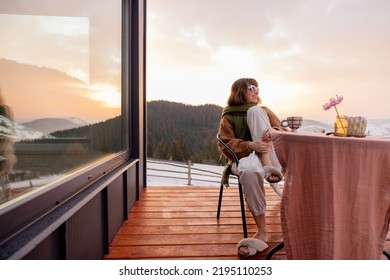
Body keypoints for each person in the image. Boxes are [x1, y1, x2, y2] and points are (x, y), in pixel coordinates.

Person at [217, 78, 284, 257]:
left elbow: (280, 129)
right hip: (245, 156)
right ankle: (262, 230)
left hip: (271, 154)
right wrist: (250, 146)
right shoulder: (228, 116)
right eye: (252, 88)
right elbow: (225, 144)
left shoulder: (262, 111)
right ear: (240, 91)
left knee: (255, 111)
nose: (256, 92)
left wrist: (271, 132)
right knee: (249, 171)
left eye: (258, 88)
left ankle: (267, 163)